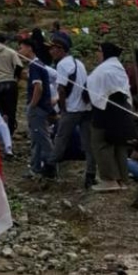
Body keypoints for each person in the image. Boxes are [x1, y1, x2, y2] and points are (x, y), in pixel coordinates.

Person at [86, 42, 137, 192]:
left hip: (105, 111)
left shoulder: (103, 70)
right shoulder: (118, 68)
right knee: (119, 145)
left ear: (105, 53)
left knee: (101, 144)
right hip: (122, 111)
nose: (97, 53)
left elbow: (91, 90)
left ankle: (109, 180)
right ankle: (122, 178)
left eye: (99, 51)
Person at [48, 33, 95, 187]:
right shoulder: (78, 63)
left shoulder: (62, 65)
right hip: (86, 108)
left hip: (72, 108)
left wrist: (63, 110)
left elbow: (61, 89)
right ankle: (90, 175)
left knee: (61, 138)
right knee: (88, 144)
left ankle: (49, 168)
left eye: (53, 48)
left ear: (61, 49)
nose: (51, 51)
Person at [18, 36, 56, 179]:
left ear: (29, 48)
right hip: (43, 107)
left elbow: (38, 87)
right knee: (36, 137)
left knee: (42, 137)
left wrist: (32, 105)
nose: (19, 51)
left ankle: (51, 166)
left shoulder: (35, 65)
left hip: (38, 108)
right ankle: (36, 167)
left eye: (21, 47)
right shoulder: (38, 65)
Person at [0, 36, 22, 134]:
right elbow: (19, 66)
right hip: (10, 83)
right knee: (10, 110)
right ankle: (9, 133)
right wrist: (16, 79)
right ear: (5, 41)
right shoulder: (11, 52)